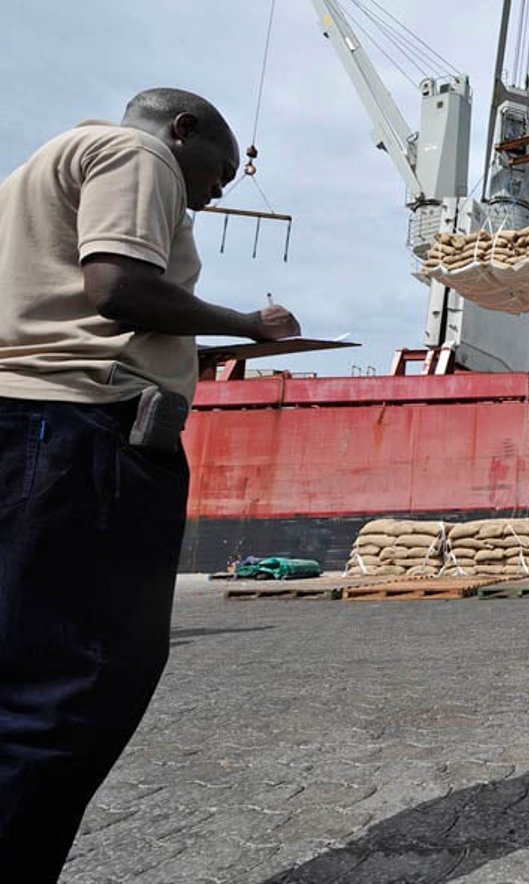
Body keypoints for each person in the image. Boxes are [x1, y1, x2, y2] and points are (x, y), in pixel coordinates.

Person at [0, 88, 300, 880]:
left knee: (24, 672)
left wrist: (183, 357)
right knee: (77, 687)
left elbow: (64, 309)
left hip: (29, 426)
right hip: (82, 436)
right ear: (184, 129)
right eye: (220, 171)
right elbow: (118, 289)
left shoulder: (30, 175)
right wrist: (249, 325)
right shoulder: (139, 153)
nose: (217, 191)